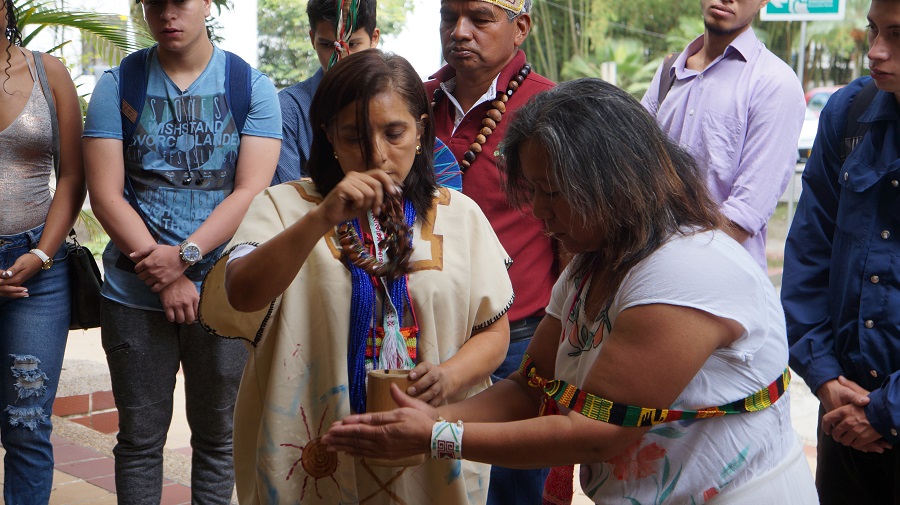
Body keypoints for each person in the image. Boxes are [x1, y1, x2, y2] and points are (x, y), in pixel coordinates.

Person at [323, 78, 819, 505]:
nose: (538, 212)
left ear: (616, 182)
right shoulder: (590, 263)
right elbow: (529, 386)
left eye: (553, 192)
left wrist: (438, 435)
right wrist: (425, 420)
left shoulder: (686, 270)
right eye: (533, 192)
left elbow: (596, 433)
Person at [198, 49, 512, 504]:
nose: (376, 155)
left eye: (395, 132)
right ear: (328, 137)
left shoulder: (460, 216)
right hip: (314, 455)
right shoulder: (284, 209)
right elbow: (241, 292)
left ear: (422, 130)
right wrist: (322, 217)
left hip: (427, 449)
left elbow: (494, 332)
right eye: (353, 136)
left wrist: (447, 375)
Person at [82, 0, 282, 502]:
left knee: (219, 440)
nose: (168, 14)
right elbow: (105, 194)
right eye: (155, 3)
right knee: (139, 442)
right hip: (134, 294)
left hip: (225, 296)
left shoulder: (251, 88)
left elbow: (250, 194)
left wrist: (187, 257)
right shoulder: (118, 85)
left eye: (181, 1)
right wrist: (167, 273)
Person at [425, 1, 555, 500]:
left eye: (479, 19)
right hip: (429, 334)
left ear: (520, 28)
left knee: (510, 488)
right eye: (449, 18)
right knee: (431, 481)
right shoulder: (413, 103)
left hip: (519, 339)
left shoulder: (551, 109)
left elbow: (574, 234)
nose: (459, 32)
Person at [782, 1, 900, 502]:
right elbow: (809, 256)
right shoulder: (848, 115)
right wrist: (826, 376)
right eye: (874, 30)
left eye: (897, 35)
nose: (875, 51)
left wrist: (889, 410)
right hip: (847, 423)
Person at [641, 0, 805, 272]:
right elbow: (633, 170)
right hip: (647, 275)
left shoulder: (775, 83)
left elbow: (742, 217)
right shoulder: (669, 71)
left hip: (720, 287)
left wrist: (666, 263)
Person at [0, 1, 85, 503]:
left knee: (27, 425)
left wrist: (45, 255)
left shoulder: (47, 71)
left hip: (37, 270)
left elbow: (73, 175)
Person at [273, 0, 380, 185]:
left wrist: (311, 185)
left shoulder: (396, 100)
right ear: (312, 39)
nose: (340, 58)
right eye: (328, 45)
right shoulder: (288, 110)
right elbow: (285, 197)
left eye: (352, 44)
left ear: (374, 38)